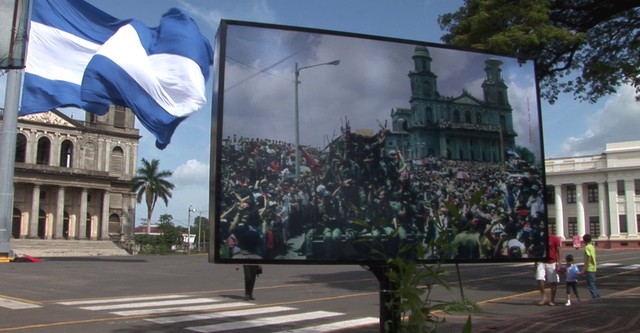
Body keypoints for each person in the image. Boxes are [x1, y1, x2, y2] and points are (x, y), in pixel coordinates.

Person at [536, 234, 561, 305]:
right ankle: (544, 296)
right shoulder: (540, 238)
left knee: (553, 281)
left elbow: (558, 250)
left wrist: (559, 263)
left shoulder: (554, 238)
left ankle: (552, 299)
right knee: (539, 278)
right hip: (541, 261)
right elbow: (536, 251)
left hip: (551, 262)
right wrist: (535, 263)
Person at [580, 234, 600, 298]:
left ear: (584, 240)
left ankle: (596, 297)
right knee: (592, 284)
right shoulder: (592, 246)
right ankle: (597, 296)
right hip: (593, 267)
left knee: (590, 285)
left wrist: (583, 269)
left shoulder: (587, 247)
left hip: (589, 268)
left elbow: (589, 258)